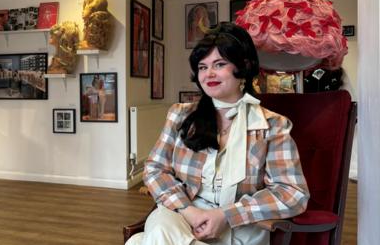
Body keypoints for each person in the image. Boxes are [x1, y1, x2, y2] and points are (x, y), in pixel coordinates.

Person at [126, 22, 309, 245]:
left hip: (240, 228)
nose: (208, 74)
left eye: (219, 64)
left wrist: (227, 216)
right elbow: (155, 169)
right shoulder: (180, 115)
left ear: (243, 68)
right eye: (202, 67)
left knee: (139, 241)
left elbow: (292, 193)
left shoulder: (273, 125)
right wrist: (189, 211)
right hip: (182, 216)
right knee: (162, 225)